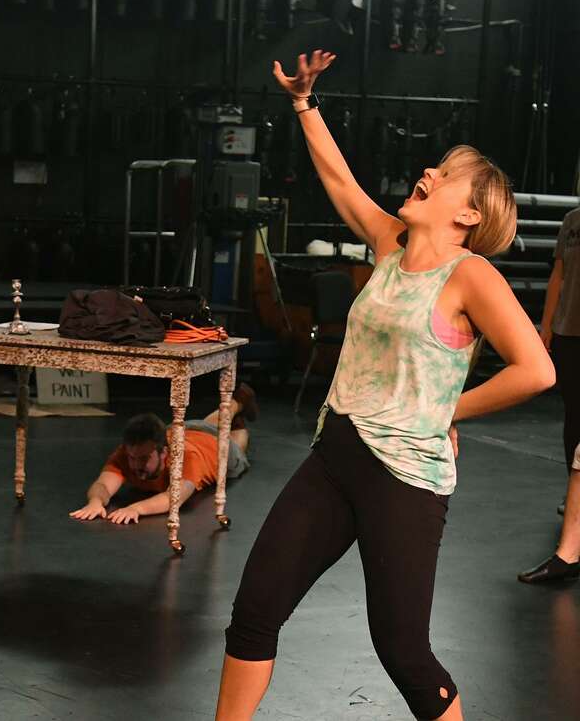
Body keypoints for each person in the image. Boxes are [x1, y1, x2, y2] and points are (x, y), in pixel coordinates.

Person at [215, 52, 555, 721]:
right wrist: (304, 105)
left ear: (468, 214)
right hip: (335, 454)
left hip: (404, 478)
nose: (428, 173)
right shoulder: (391, 244)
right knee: (255, 609)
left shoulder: (470, 276)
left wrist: (447, 408)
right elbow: (341, 183)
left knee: (402, 649)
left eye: (447, 176)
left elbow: (536, 369)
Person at [69, 385, 257, 525]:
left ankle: (237, 406)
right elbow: (102, 484)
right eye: (132, 458)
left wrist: (136, 508)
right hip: (186, 429)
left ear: (164, 452)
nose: (135, 465)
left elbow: (173, 498)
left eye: (144, 458)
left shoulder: (186, 459)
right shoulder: (130, 451)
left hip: (216, 449)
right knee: (205, 424)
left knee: (236, 443)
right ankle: (235, 406)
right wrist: (95, 501)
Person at [518, 198, 580, 584]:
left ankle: (570, 549)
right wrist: (545, 326)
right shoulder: (571, 222)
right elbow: (558, 274)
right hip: (569, 332)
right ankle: (572, 505)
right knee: (574, 417)